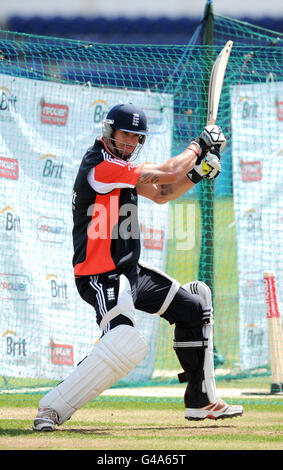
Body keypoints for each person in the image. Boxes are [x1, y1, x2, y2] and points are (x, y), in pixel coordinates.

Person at [33, 103, 243, 431]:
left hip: (129, 272)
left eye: (136, 137)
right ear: (109, 133)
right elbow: (168, 172)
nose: (130, 142)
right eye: (125, 134)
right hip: (100, 275)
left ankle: (200, 402)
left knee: (195, 306)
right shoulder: (100, 165)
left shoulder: (120, 166)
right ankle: (52, 408)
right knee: (125, 340)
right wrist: (199, 145)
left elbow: (162, 192)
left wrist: (198, 173)